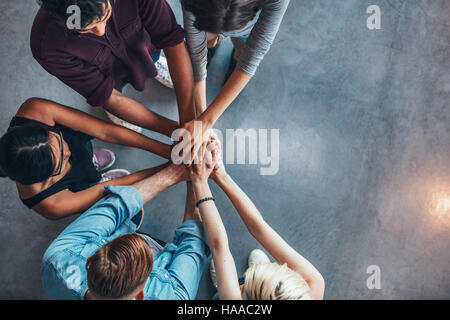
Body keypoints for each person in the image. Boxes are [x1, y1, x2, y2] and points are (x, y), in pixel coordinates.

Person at [41, 162, 210, 300]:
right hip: (163, 251)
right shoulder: (171, 297)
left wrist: (174, 173)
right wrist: (196, 179)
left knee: (125, 211)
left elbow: (115, 207)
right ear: (140, 295)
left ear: (90, 261)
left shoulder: (57, 259)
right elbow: (192, 243)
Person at [188, 140, 325, 300]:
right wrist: (220, 174)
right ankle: (256, 277)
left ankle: (224, 284)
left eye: (245, 288)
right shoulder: (314, 285)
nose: (245, 274)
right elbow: (258, 227)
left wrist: (199, 182)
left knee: (223, 292)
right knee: (233, 273)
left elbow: (219, 247)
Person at [32, 0, 196, 133]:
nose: (101, 31)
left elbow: (171, 40)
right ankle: (115, 111)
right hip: (108, 79)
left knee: (151, 57)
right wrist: (178, 132)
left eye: (105, 16)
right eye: (85, 29)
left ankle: (152, 63)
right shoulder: (48, 46)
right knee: (110, 95)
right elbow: (108, 95)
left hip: (144, 47)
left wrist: (190, 122)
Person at [0, 97, 175, 220]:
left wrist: (168, 151)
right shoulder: (50, 204)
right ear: (46, 179)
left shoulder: (35, 110)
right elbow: (117, 185)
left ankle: (89, 162)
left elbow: (105, 131)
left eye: (59, 141)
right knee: (106, 190)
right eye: (60, 163)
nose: (67, 152)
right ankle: (95, 181)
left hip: (80, 149)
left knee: (83, 152)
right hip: (76, 187)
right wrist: (171, 167)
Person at [179, 0, 290, 162]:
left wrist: (205, 121)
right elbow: (196, 52)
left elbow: (253, 56)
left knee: (242, 47)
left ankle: (232, 50)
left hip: (245, 31)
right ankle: (211, 45)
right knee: (206, 42)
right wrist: (202, 120)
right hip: (211, 22)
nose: (223, 34)